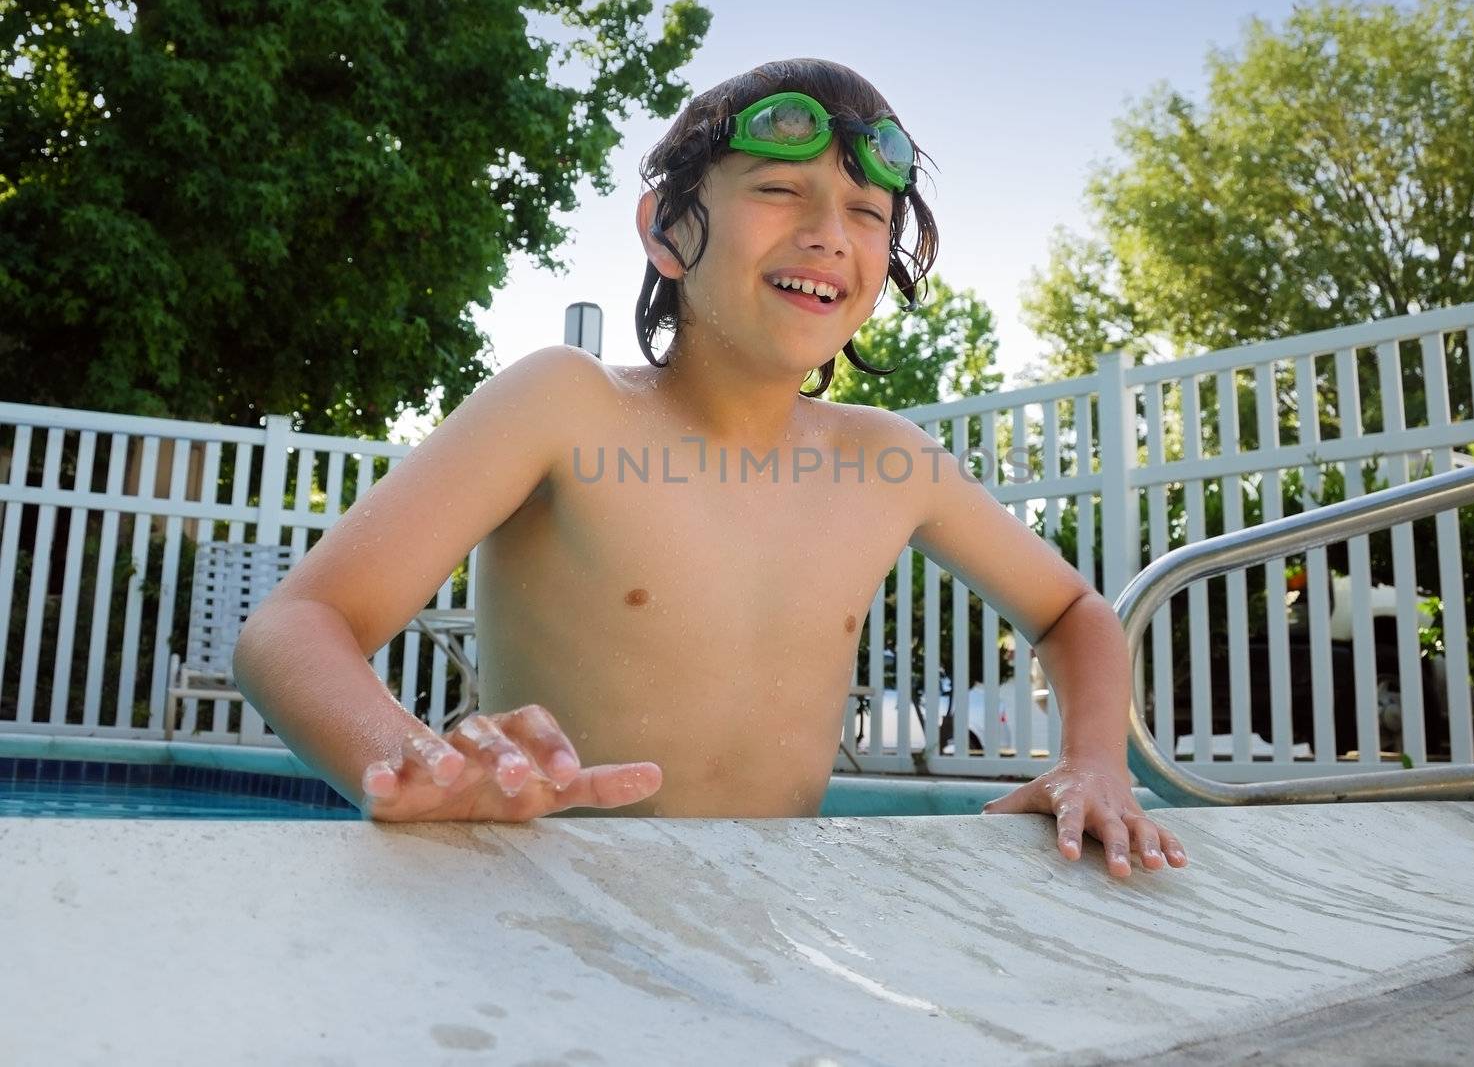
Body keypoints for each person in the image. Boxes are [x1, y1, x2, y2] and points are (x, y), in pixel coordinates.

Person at [233, 57, 1187, 878]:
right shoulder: (563, 406)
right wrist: (412, 761)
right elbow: (294, 624)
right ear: (665, 230)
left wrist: (1095, 758)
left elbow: (1074, 614)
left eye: (865, 210)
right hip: (544, 898)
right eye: (779, 190)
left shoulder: (890, 461)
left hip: (767, 917)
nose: (827, 231)